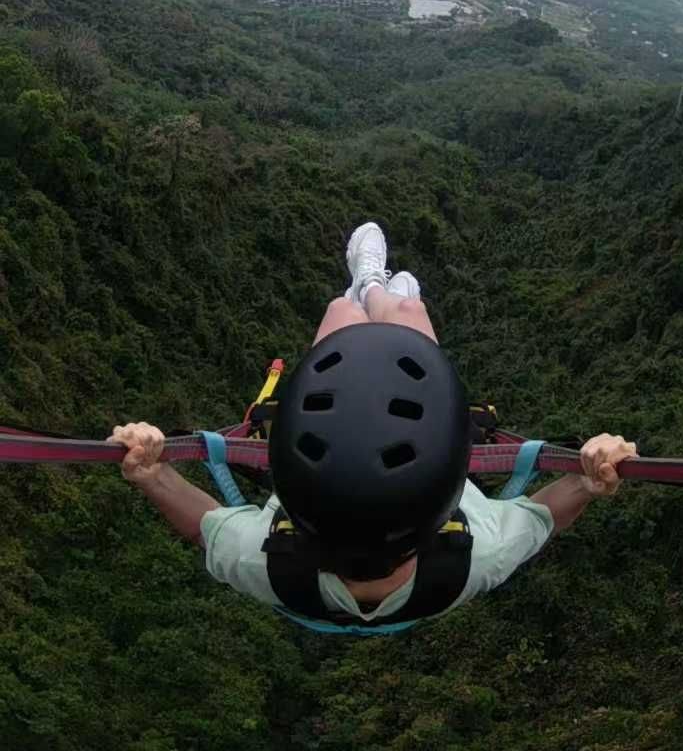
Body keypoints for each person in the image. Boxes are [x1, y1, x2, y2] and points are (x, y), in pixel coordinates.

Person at [109, 222, 637, 635]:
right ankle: (379, 291)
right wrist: (589, 478)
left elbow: (205, 529)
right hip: (400, 459)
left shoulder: (262, 561)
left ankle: (366, 287)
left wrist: (151, 474)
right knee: (404, 310)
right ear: (444, 512)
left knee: (343, 312)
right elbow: (542, 517)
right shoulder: (479, 558)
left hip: (383, 460)